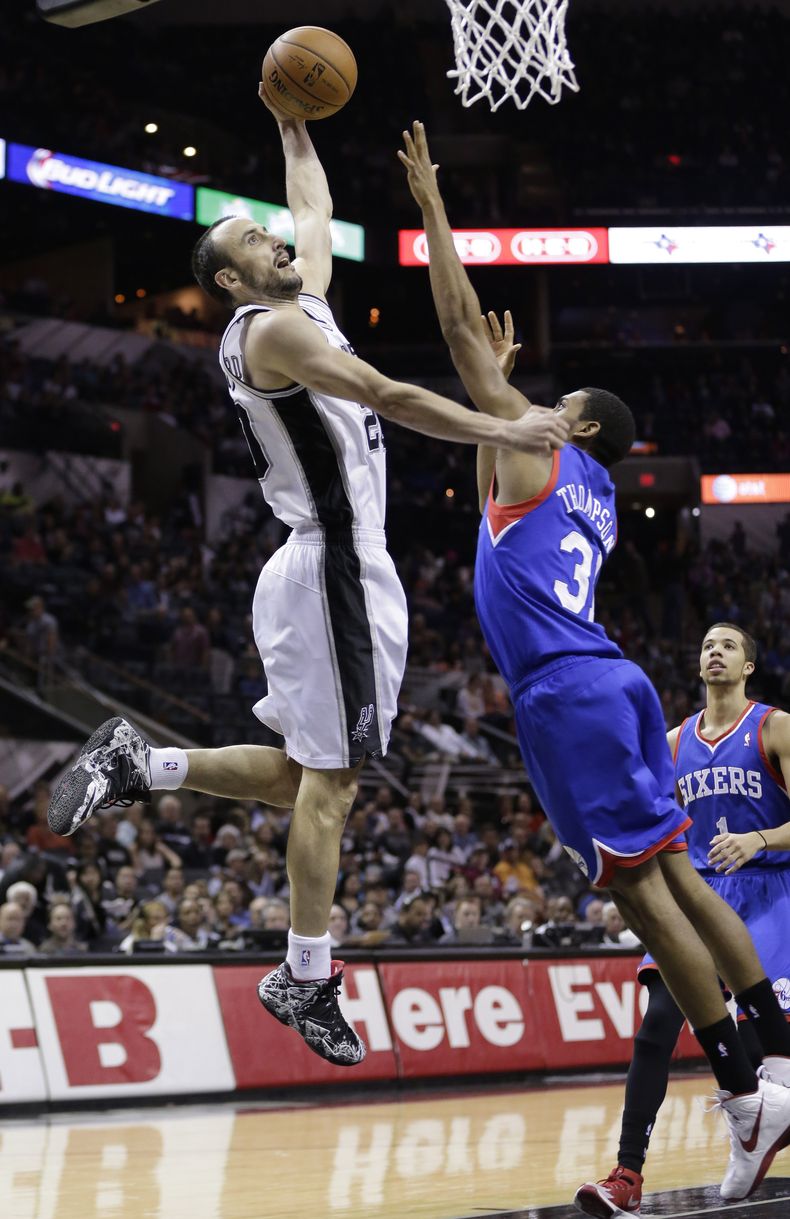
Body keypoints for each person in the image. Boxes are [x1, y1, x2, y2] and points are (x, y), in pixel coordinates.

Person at [46, 97, 567, 1071]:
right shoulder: (266, 332)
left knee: (301, 779)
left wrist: (293, 125)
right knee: (330, 786)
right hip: (332, 564)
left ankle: (140, 765)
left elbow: (315, 213)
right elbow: (384, 393)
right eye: (257, 240)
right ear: (233, 277)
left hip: (333, 568)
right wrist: (499, 427)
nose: (279, 240)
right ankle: (306, 973)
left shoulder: (305, 303)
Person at [399, 119, 790, 1203]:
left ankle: (744, 1080)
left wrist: (434, 206)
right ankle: (770, 1035)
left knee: (639, 891)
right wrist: (503, 412)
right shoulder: (592, 487)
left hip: (566, 689)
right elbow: (497, 488)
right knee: (669, 868)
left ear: (566, 420)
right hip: (609, 680)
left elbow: (451, 324)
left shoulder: (536, 439)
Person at [575, 622, 790, 1216]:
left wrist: (761, 840)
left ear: (749, 665)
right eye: (706, 645)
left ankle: (752, 1138)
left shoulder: (774, 726)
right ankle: (626, 1175)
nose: (714, 652)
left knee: (759, 1041)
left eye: (728, 645)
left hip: (768, 891)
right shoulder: (671, 742)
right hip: (696, 896)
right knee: (655, 1030)